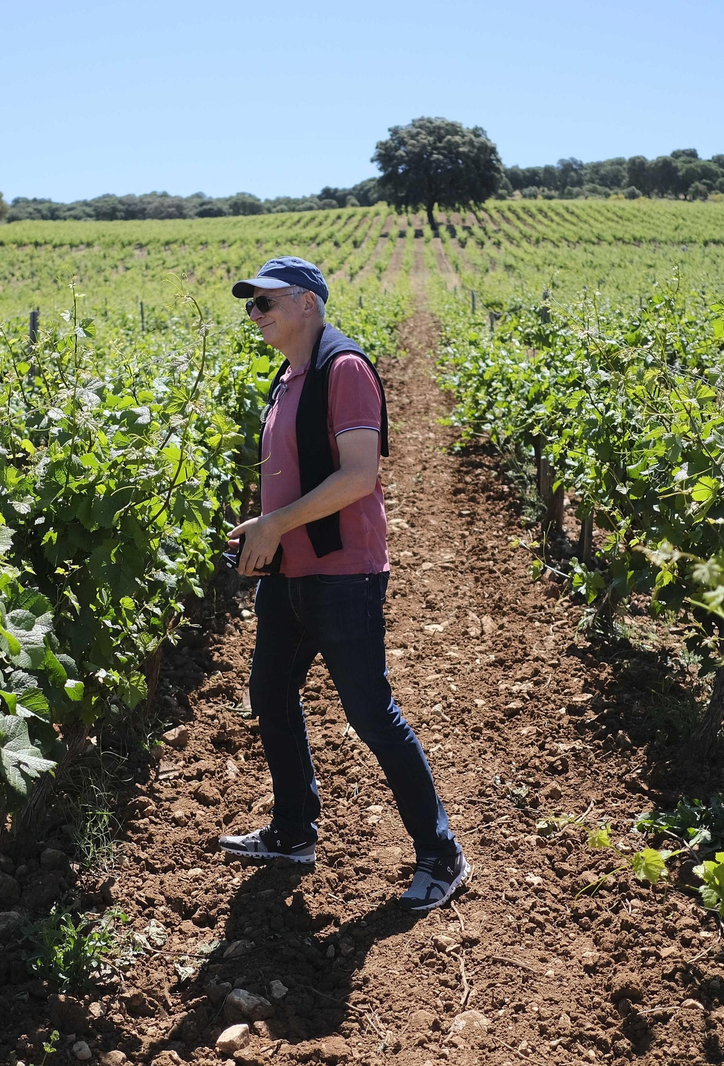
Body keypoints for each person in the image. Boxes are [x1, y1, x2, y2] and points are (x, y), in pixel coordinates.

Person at [220, 256, 470, 912]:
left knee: (370, 713)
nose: (255, 314)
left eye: (265, 302)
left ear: (307, 303)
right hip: (291, 572)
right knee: (270, 696)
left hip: (342, 573)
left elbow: (359, 475)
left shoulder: (344, 369)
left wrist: (275, 524)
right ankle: (294, 832)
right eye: (250, 305)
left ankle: (442, 853)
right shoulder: (289, 375)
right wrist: (264, 530)